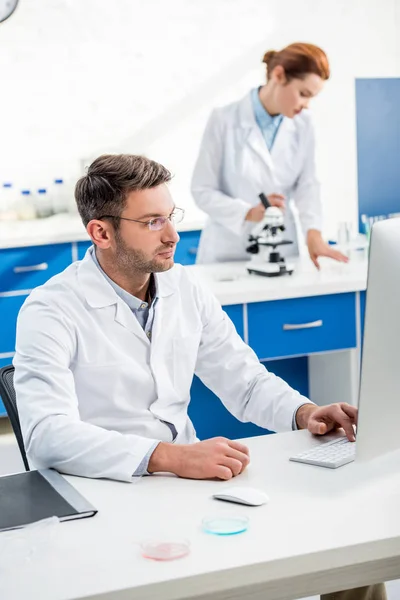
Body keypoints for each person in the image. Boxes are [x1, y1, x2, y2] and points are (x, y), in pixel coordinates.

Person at [14, 155, 385, 600]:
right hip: (104, 495)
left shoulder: (183, 288)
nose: (172, 235)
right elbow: (47, 435)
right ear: (101, 232)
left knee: (346, 557)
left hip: (185, 487)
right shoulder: (50, 309)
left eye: (170, 217)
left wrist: (304, 412)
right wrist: (171, 457)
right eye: (153, 222)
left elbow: (243, 379)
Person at [191, 42, 348, 270]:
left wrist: (313, 233)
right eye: (303, 94)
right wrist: (247, 212)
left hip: (282, 250)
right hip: (229, 254)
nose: (306, 105)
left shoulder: (304, 124)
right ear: (279, 75)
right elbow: (202, 190)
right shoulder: (224, 120)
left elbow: (307, 185)